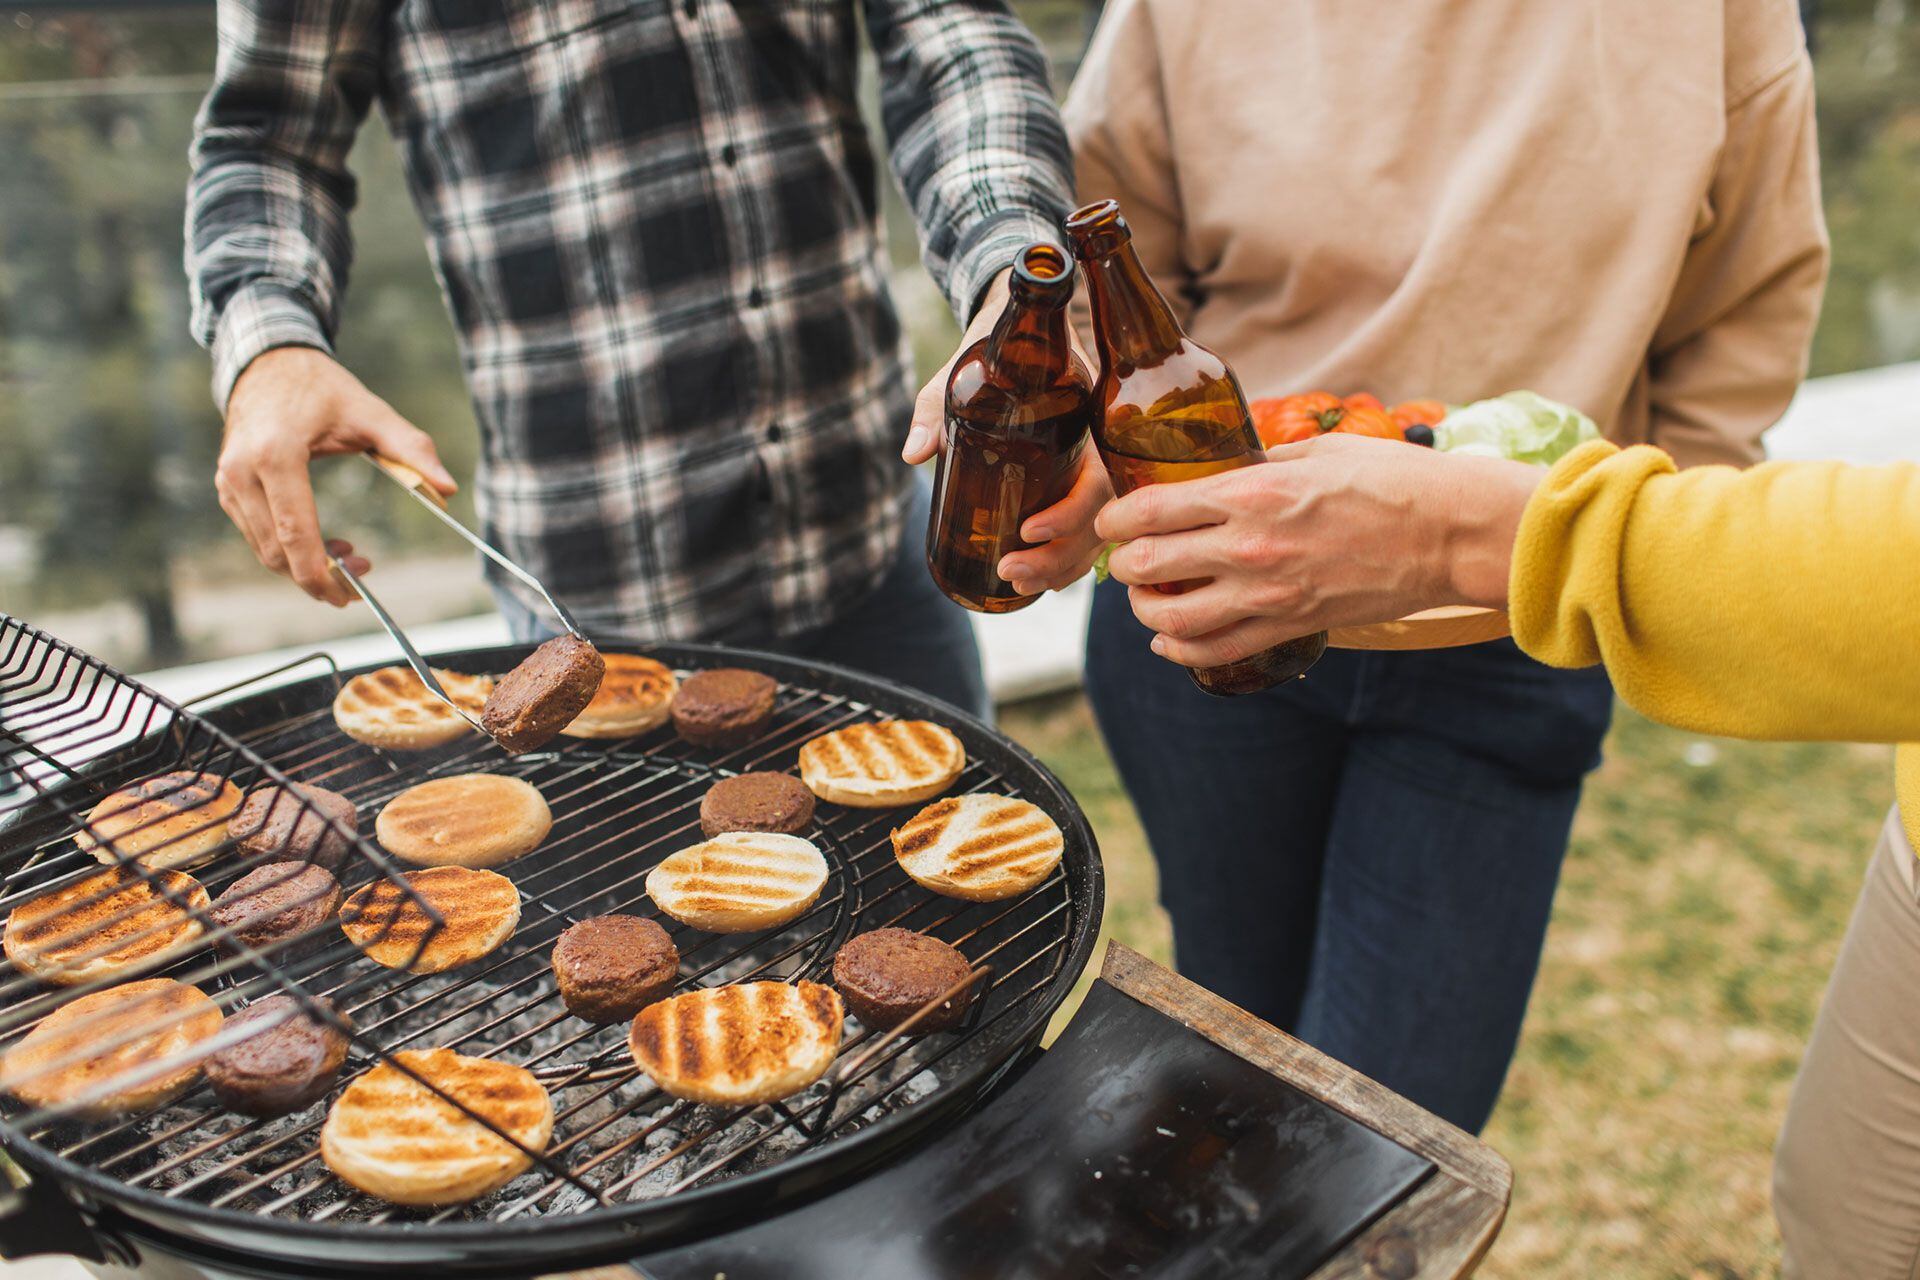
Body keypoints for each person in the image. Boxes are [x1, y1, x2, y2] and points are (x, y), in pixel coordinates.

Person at [1048, 0, 1829, 1131]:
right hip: (1217, 607)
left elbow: (1747, 315)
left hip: (1513, 623)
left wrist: (1639, 558)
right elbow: (1097, 265)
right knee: (1229, 1053)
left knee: (1387, 1131)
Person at [1096, 430, 1920, 1279]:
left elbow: (1718, 401)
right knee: (1838, 1225)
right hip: (1223, 585)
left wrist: (1478, 532)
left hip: (1515, 622)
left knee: (1381, 1147)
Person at [185, 0, 1098, 722]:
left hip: (872, 545)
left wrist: (1016, 286)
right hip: (594, 609)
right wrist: (271, 345)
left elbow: (948, 32)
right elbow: (268, 137)